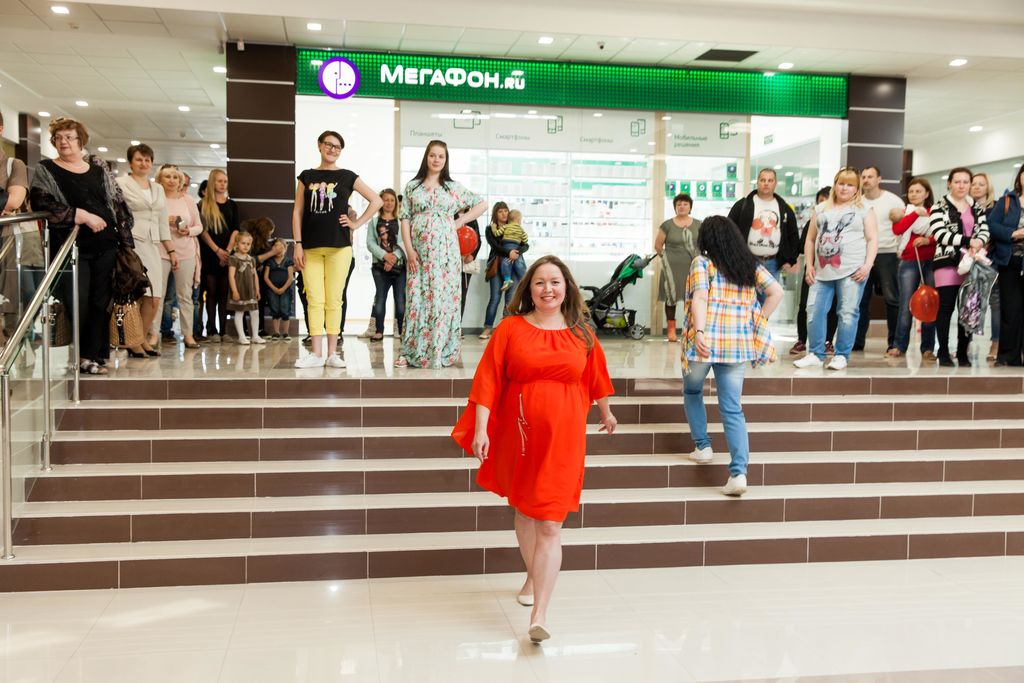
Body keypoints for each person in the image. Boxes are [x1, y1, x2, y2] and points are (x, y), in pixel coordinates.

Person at [451, 255, 616, 643]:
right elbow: (487, 380)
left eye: (555, 282)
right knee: (526, 512)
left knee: (551, 522)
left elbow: (597, 376)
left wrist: (607, 412)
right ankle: (532, 574)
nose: (548, 289)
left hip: (565, 438)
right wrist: (481, 429)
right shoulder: (510, 329)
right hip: (520, 434)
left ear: (567, 288)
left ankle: (540, 613)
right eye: (540, 282)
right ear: (529, 289)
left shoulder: (582, 333)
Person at [681, 216, 783, 496]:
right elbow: (776, 292)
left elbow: (700, 297)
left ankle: (703, 447)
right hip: (737, 345)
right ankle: (738, 474)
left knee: (692, 391)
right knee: (732, 408)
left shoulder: (703, 263)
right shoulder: (749, 265)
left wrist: (700, 332)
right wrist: (756, 320)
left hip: (704, 343)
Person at [29, 117, 133, 375]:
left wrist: (126, 243)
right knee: (78, 301)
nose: (63, 142)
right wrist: (81, 215)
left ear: (80, 141)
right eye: (58, 138)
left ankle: (92, 355)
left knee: (100, 302)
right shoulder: (46, 169)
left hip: (106, 244)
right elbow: (41, 203)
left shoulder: (98, 170)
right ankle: (81, 354)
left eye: (69, 137)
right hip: (71, 247)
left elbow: (116, 204)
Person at [292, 131, 382, 368]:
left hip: (340, 248)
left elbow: (377, 200)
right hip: (309, 247)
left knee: (334, 300)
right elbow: (297, 212)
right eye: (329, 144)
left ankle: (332, 354)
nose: (332, 149)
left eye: (337, 146)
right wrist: (297, 244)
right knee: (314, 299)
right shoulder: (306, 176)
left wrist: (357, 223)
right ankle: (316, 354)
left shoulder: (347, 176)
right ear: (319, 145)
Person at [398, 139, 486, 368]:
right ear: (426, 157)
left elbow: (481, 204)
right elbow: (405, 218)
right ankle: (411, 351)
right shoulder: (412, 187)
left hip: (446, 254)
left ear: (446, 160)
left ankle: (441, 350)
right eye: (432, 155)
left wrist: (459, 221)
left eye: (441, 156)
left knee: (443, 299)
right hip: (418, 254)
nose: (436, 160)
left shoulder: (452, 188)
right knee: (416, 298)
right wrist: (409, 250)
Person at [795, 167, 879, 370]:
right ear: (835, 184)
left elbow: (873, 239)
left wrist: (867, 265)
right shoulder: (821, 209)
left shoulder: (864, 209)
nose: (844, 188)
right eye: (841, 183)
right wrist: (809, 265)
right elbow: (810, 239)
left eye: (850, 185)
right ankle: (815, 353)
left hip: (852, 270)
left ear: (856, 188)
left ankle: (841, 355)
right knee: (813, 310)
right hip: (821, 271)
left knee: (847, 312)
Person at [116, 143, 177, 358]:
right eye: (139, 159)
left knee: (154, 296)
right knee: (136, 294)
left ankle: (139, 338)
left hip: (152, 245)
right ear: (130, 162)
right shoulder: (121, 184)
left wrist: (171, 250)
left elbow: (162, 220)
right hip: (131, 244)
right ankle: (135, 342)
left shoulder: (157, 188)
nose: (143, 163)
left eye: (147, 160)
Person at [929, 167, 990, 367]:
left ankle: (963, 353)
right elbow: (940, 234)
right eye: (957, 182)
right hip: (946, 263)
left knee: (969, 310)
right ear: (949, 184)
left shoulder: (977, 207)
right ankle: (943, 352)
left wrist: (978, 242)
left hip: (972, 263)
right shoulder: (939, 206)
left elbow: (984, 230)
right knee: (946, 308)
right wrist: (968, 240)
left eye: (966, 182)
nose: (962, 186)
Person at [854, 166, 907, 354]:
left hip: (887, 253)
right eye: (863, 177)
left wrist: (900, 249)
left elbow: (905, 227)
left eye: (870, 176)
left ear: (879, 179)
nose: (866, 180)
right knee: (860, 300)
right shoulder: (857, 202)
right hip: (863, 255)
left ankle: (894, 344)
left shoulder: (893, 200)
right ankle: (856, 343)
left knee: (892, 300)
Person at [155, 164, 202, 348]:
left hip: (186, 251)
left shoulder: (188, 200)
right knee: (158, 295)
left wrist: (188, 230)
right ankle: (153, 335)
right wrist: (163, 221)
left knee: (185, 295)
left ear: (180, 180)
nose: (172, 180)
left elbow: (199, 226)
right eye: (167, 176)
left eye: (175, 177)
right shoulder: (157, 199)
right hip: (161, 250)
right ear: (160, 179)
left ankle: (188, 335)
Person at [726, 168, 800, 283]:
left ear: (775, 183)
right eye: (763, 180)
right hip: (747, 262)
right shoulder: (742, 205)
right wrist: (733, 256)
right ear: (757, 182)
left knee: (772, 294)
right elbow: (727, 230)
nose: (766, 183)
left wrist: (791, 260)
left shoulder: (784, 208)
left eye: (770, 180)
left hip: (773, 264)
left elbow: (793, 234)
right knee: (747, 293)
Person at [891, 177, 937, 360]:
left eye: (918, 191)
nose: (914, 194)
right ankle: (899, 346)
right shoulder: (905, 212)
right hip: (909, 261)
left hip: (931, 261)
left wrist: (927, 240)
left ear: (927, 194)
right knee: (905, 305)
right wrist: (916, 213)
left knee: (930, 304)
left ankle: (928, 348)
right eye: (911, 191)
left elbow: (941, 234)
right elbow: (898, 229)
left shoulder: (935, 212)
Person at [985, 164, 1024, 367]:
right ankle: (1008, 356)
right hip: (1010, 261)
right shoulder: (1008, 200)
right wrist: (1013, 233)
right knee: (1010, 309)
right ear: (1020, 177)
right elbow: (991, 225)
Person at [791, 187, 838, 355]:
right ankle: (801, 340)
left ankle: (828, 341)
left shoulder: (839, 221)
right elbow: (803, 244)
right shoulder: (814, 219)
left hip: (835, 269)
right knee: (805, 304)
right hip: (813, 268)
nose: (822, 204)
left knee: (832, 307)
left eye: (826, 200)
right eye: (820, 201)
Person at [198, 169, 239, 342]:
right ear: (212, 182)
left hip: (227, 254)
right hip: (209, 253)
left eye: (225, 181)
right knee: (211, 292)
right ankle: (212, 330)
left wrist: (227, 251)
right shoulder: (202, 205)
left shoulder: (232, 205)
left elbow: (235, 229)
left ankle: (223, 330)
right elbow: (202, 231)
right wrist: (217, 250)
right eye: (219, 181)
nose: (223, 184)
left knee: (224, 292)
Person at [654, 192, 701, 343]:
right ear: (675, 207)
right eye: (679, 204)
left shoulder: (699, 224)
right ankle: (671, 330)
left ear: (690, 207)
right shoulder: (667, 225)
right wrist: (666, 259)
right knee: (671, 297)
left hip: (693, 268)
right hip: (671, 268)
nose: (682, 206)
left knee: (693, 298)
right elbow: (658, 246)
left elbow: (703, 244)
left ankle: (691, 329)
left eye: (685, 204)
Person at [0, 112, 29, 344]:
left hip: (5, 242)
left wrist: (6, 204)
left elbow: (14, 201)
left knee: (8, 301)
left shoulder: (13, 165)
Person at [480, 202, 527, 340]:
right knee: (495, 298)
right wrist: (508, 253)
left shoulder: (515, 226)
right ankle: (487, 328)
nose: (504, 214)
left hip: (514, 265)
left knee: (510, 300)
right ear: (495, 214)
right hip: (497, 265)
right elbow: (495, 246)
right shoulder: (491, 229)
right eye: (500, 211)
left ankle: (506, 330)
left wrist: (516, 252)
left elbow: (526, 245)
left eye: (506, 211)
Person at [366, 188, 405, 342]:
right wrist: (385, 256)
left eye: (392, 200)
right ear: (381, 202)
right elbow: (370, 243)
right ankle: (379, 330)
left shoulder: (401, 222)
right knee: (380, 299)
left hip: (399, 268)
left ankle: (401, 331)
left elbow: (405, 242)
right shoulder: (374, 222)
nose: (389, 203)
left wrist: (394, 257)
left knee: (400, 302)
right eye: (386, 200)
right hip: (379, 268)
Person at [971, 172, 999, 360]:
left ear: (988, 187)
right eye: (974, 183)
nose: (977, 187)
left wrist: (985, 244)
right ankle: (965, 343)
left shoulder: (996, 207)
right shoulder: (965, 207)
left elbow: (999, 231)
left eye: (981, 184)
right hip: (968, 259)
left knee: (995, 302)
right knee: (970, 303)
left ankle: (996, 342)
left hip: (991, 259)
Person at [227, 231, 263, 345]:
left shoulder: (251, 259)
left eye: (248, 244)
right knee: (239, 312)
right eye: (243, 243)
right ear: (237, 244)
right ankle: (241, 337)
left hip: (250, 290)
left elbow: (255, 275)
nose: (246, 246)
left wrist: (257, 289)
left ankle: (255, 336)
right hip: (240, 289)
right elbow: (231, 276)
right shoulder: (233, 259)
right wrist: (234, 291)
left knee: (255, 312)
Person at [263, 243, 295, 341]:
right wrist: (274, 288)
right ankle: (276, 332)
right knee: (275, 309)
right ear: (273, 248)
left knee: (285, 309)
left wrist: (283, 289)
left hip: (285, 290)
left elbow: (290, 277)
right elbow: (266, 277)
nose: (279, 249)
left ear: (285, 249)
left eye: (281, 247)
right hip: (272, 290)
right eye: (276, 246)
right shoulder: (270, 261)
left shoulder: (288, 261)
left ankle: (285, 333)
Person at [457, 206, 482, 321]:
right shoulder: (449, 215)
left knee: (462, 295)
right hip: (451, 262)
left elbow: (478, 240)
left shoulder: (472, 217)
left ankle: (458, 325)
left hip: (466, 262)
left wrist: (472, 255)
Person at [496, 209, 529, 292]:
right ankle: (525, 280)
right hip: (515, 248)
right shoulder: (521, 229)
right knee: (519, 264)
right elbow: (525, 240)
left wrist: (494, 228)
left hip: (508, 247)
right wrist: (516, 251)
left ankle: (507, 280)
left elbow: (497, 233)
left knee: (505, 263)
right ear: (518, 220)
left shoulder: (506, 226)